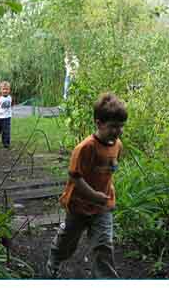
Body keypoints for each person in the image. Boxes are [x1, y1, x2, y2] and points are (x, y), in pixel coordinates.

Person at [46, 92, 128, 279]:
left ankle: (105, 279)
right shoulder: (85, 148)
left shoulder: (117, 145)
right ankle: (55, 258)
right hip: (79, 205)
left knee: (103, 244)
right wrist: (93, 195)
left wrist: (105, 195)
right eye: (113, 126)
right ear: (99, 123)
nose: (118, 131)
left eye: (121, 126)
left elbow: (110, 170)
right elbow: (75, 177)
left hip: (102, 206)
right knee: (68, 242)